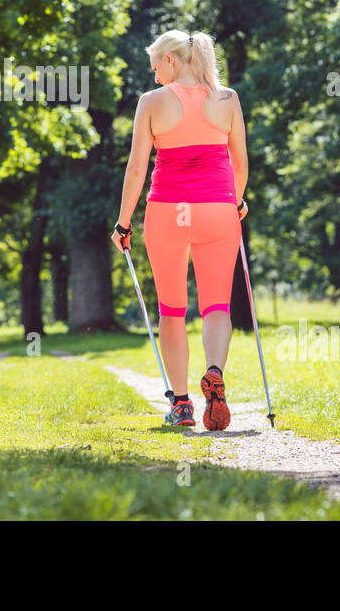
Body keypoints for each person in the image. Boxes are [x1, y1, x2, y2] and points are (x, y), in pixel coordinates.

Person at [111, 30, 249, 430]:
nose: (155, 78)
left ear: (171, 60)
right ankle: (214, 371)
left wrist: (123, 222)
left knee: (172, 310)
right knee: (216, 306)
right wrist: (235, 201)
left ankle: (183, 404)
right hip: (218, 212)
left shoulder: (151, 103)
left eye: (156, 67)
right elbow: (240, 162)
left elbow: (137, 169)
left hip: (170, 212)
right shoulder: (227, 99)